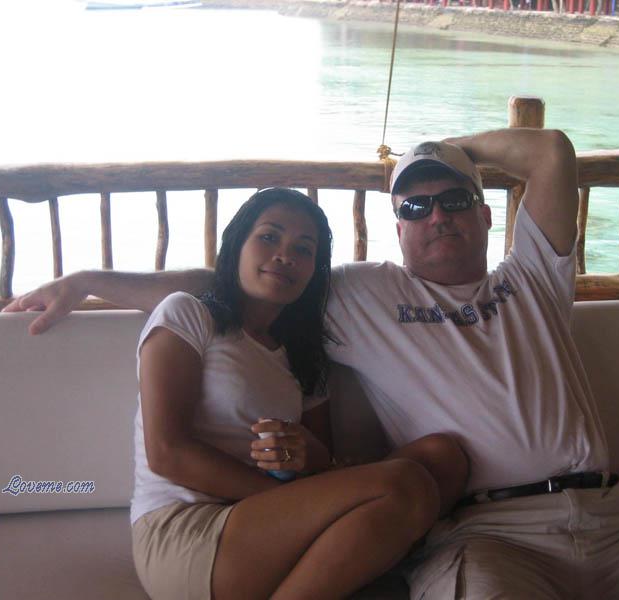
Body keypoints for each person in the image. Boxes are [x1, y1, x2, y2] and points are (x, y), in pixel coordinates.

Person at [5, 130, 619, 599]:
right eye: (414, 208)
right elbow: (234, 284)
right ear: (397, 232)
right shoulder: (362, 296)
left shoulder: (533, 279)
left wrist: (442, 147)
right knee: (428, 490)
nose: (437, 216)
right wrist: (90, 281)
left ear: (487, 214)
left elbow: (550, 152)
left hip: (617, 519)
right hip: (491, 531)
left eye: (453, 199)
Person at [88, 187, 469, 600]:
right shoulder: (189, 314)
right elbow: (168, 453)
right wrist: (298, 498)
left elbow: (320, 460)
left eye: (303, 249)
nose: (285, 255)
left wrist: (306, 452)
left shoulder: (303, 356)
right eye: (269, 237)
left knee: (442, 457)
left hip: (277, 521)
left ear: (314, 271)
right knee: (404, 484)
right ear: (237, 244)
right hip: (189, 530)